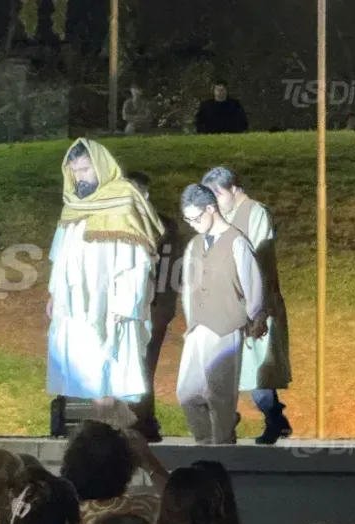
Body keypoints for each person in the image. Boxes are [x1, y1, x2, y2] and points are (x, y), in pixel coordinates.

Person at [46, 138, 165, 418]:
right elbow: (60, 253)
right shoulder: (72, 203)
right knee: (88, 375)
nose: (80, 177)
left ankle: (111, 433)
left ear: (100, 166)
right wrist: (54, 293)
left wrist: (126, 302)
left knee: (107, 374)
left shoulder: (122, 198)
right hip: (75, 302)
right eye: (75, 171)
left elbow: (137, 257)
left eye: (85, 169)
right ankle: (115, 432)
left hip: (111, 303)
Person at [201, 166, 292, 444]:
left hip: (254, 300)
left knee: (255, 371)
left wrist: (258, 306)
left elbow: (261, 257)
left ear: (231, 189)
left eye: (218, 196)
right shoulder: (223, 217)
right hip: (228, 302)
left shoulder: (255, 212)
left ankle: (274, 418)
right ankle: (231, 419)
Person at [178, 184, 266, 444]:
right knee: (187, 393)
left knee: (220, 395)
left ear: (210, 208)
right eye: (187, 220)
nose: (192, 224)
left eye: (196, 218)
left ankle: (222, 447)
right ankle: (205, 441)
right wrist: (191, 321)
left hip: (226, 325)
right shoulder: (194, 245)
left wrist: (251, 317)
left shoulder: (237, 242)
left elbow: (253, 286)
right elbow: (189, 288)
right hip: (198, 327)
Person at [124, 171, 183, 442]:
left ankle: (142, 421)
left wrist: (162, 308)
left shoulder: (163, 226)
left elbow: (171, 270)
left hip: (152, 307)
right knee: (134, 365)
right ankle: (141, 420)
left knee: (144, 364)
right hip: (127, 308)